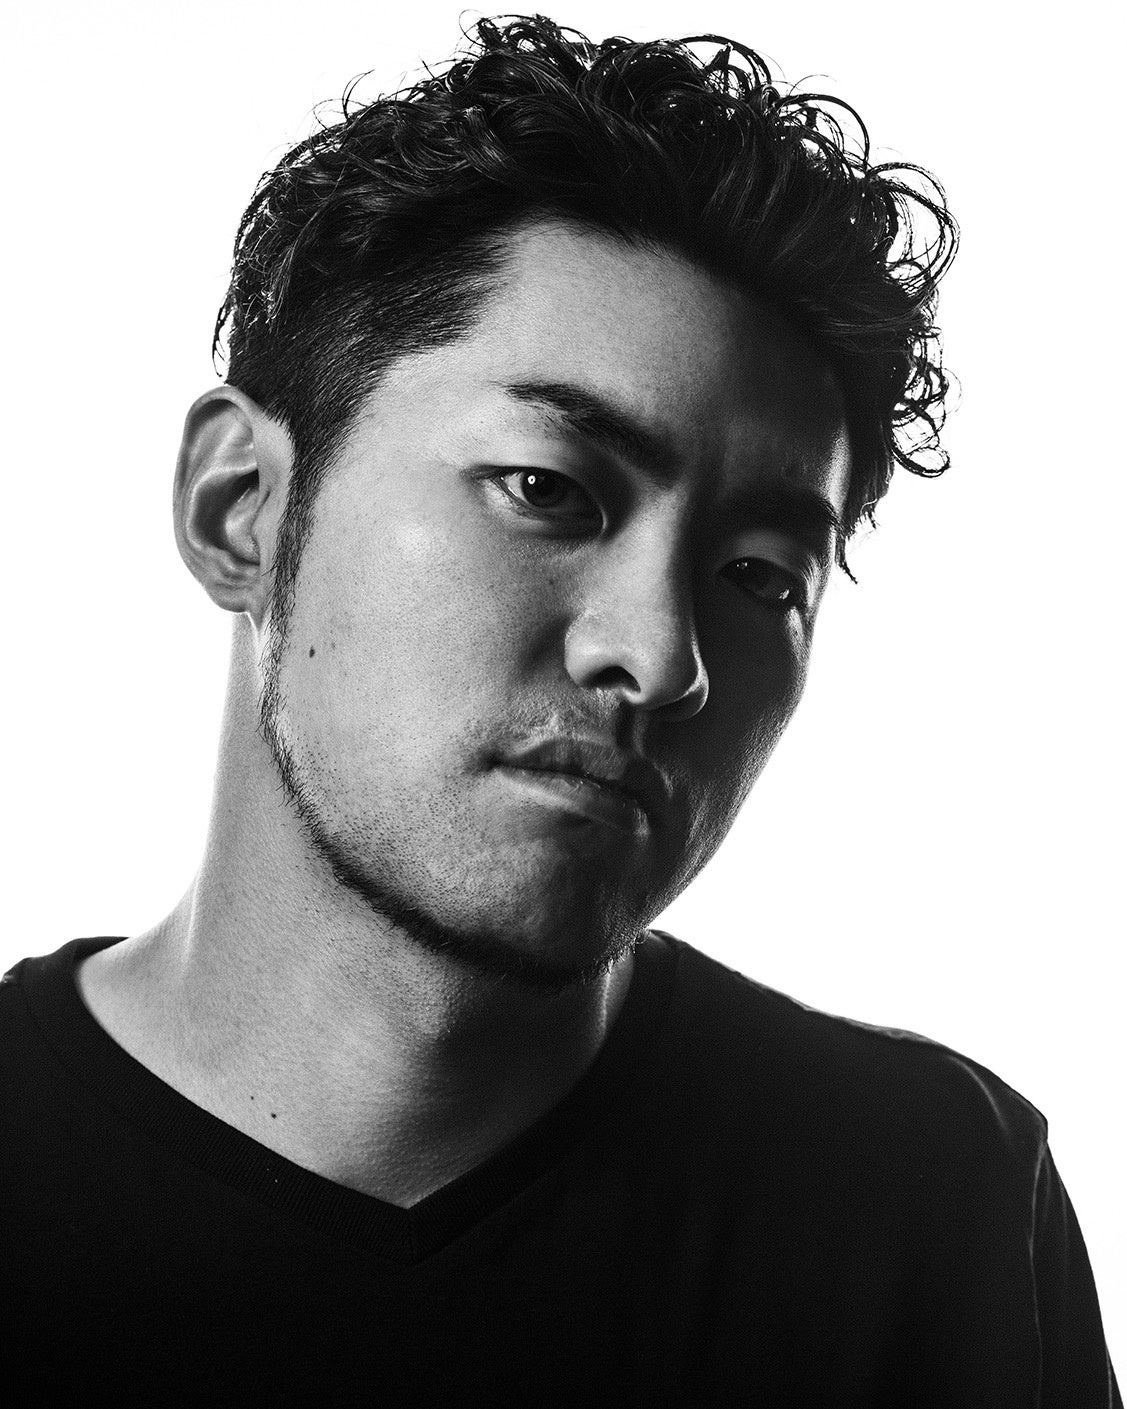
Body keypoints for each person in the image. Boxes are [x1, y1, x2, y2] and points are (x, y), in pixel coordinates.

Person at [1, 14, 1118, 1404]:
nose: (661, 656)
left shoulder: (931, 1212)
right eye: (547, 489)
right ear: (243, 509)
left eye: (759, 576)